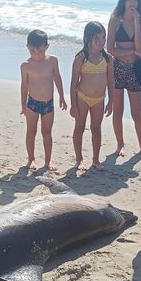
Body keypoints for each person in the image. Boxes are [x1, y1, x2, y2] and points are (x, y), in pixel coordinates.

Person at [107, 0, 141, 157]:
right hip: (117, 68)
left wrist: (135, 21)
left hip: (135, 69)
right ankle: (120, 145)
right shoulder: (115, 20)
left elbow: (140, 46)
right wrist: (130, 52)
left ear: (139, 2)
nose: (131, 3)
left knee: (136, 112)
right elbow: (110, 48)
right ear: (123, 1)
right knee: (118, 110)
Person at [20, 29, 67, 171]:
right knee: (31, 132)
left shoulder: (52, 61)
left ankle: (48, 161)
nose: (37, 54)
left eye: (40, 51)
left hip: (48, 103)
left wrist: (62, 96)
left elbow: (57, 78)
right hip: (32, 103)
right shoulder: (26, 65)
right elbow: (24, 86)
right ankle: (31, 159)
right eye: (33, 51)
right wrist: (23, 104)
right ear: (28, 47)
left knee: (47, 133)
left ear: (47, 46)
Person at [70, 22, 114, 171]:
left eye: (104, 38)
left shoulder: (107, 59)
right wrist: (73, 104)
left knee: (96, 128)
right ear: (87, 39)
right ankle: (79, 159)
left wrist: (111, 101)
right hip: (82, 97)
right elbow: (73, 82)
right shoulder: (81, 58)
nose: (102, 42)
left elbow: (110, 81)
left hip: (99, 100)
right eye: (97, 38)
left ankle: (95, 159)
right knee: (79, 128)